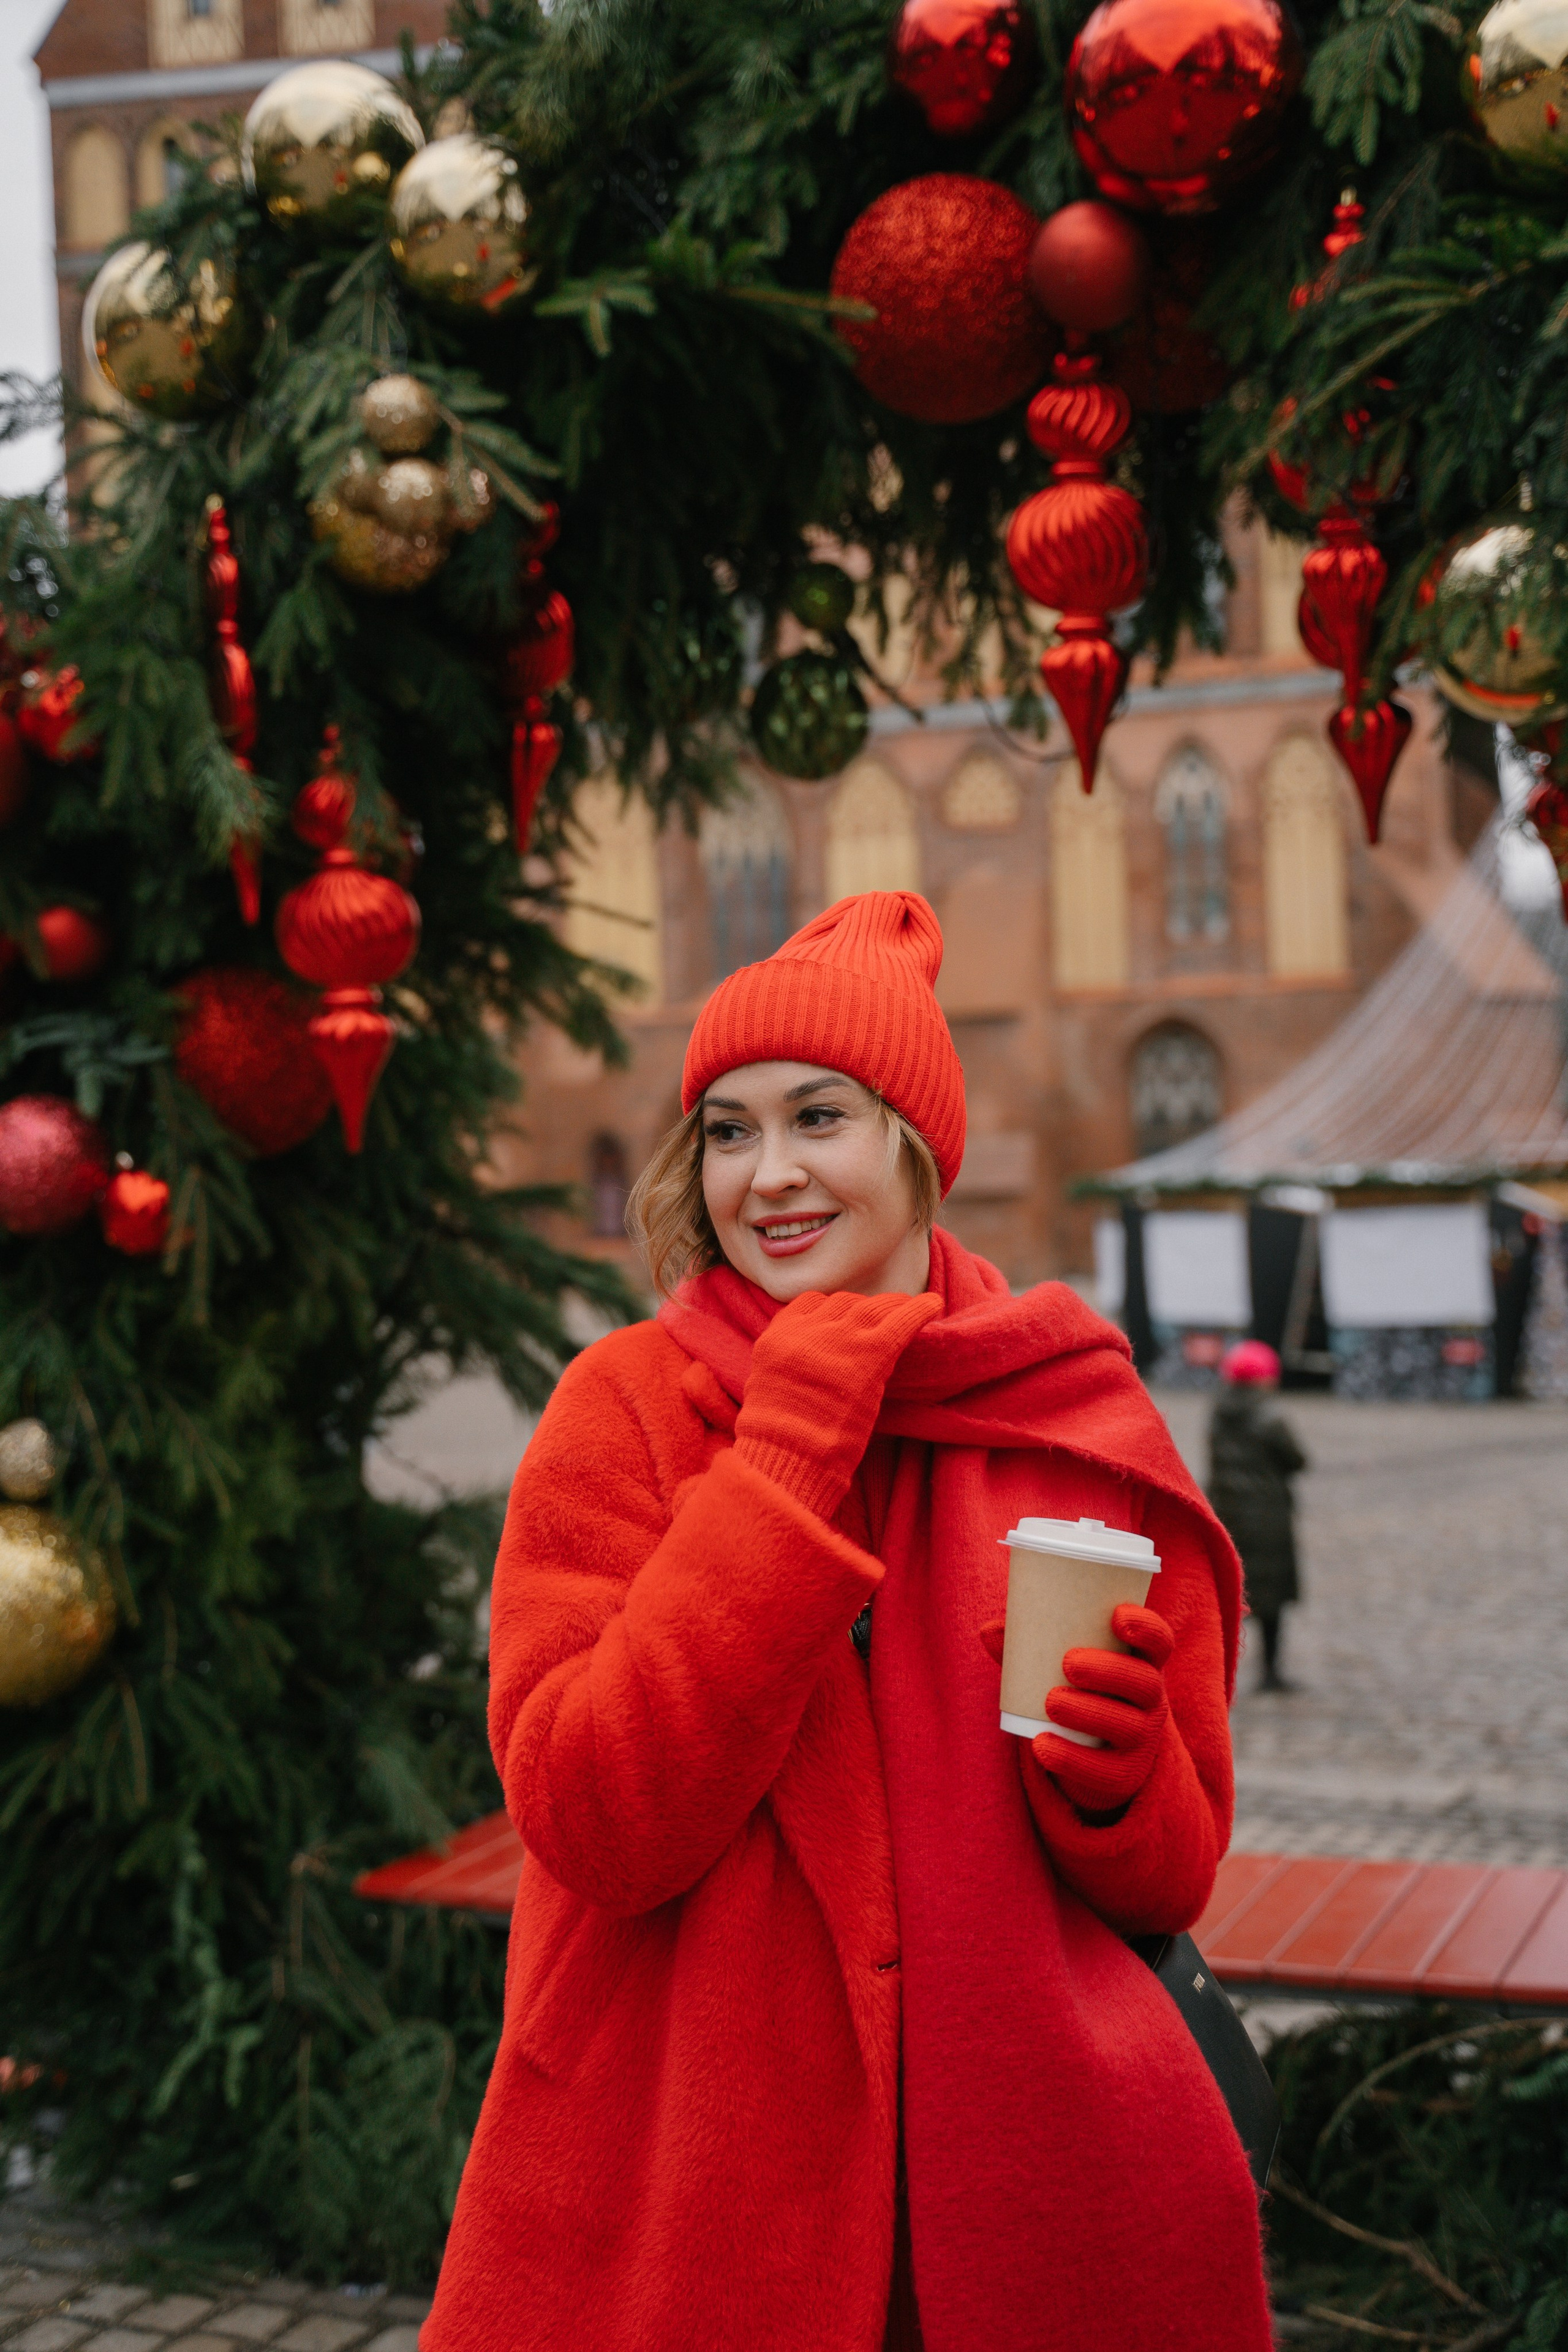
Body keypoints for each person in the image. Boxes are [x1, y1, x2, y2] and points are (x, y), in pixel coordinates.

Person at [423, 893, 1272, 2352]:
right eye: (729, 1131)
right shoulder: (623, 1410)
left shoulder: (1067, 1414)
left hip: (1022, 2193)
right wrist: (790, 1448)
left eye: (818, 1116)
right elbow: (592, 1812)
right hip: (699, 2194)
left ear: (915, 1143)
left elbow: (1170, 1876)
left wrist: (1117, 1779)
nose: (769, 1175)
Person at [1208, 1339, 1308, 1693]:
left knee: (1229, 1594)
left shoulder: (1218, 1412)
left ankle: (1215, 1671)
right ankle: (1270, 1672)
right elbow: (1297, 1459)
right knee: (1271, 1596)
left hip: (1227, 1511)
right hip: (1267, 1515)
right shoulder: (1271, 1416)